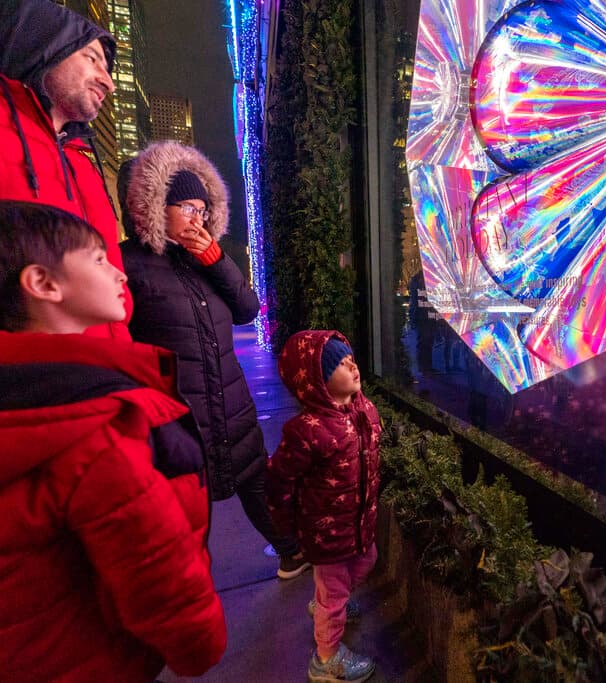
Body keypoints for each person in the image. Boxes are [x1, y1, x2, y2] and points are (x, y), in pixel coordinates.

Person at [0, 201, 226, 681]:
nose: (118, 274)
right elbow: (157, 574)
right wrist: (201, 645)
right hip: (87, 658)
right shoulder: (94, 426)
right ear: (44, 284)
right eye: (97, 259)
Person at [121, 141, 308, 578]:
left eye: (202, 209)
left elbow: (247, 308)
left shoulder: (207, 260)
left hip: (231, 404)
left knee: (257, 484)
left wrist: (215, 259)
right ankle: (190, 589)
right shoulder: (129, 264)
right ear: (154, 207)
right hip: (180, 417)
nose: (196, 218)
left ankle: (291, 552)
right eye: (185, 206)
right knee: (189, 509)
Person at [0, 0, 128, 341]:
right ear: (45, 46)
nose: (108, 83)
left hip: (95, 368)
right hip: (5, 375)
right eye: (92, 58)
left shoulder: (80, 157)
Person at [268, 330, 382, 683]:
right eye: (338, 363)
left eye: (350, 357)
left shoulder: (363, 410)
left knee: (368, 560)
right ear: (316, 382)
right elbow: (280, 479)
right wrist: (286, 525)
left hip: (359, 522)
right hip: (328, 533)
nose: (352, 365)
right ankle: (326, 659)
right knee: (334, 591)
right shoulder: (307, 431)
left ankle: (327, 604)